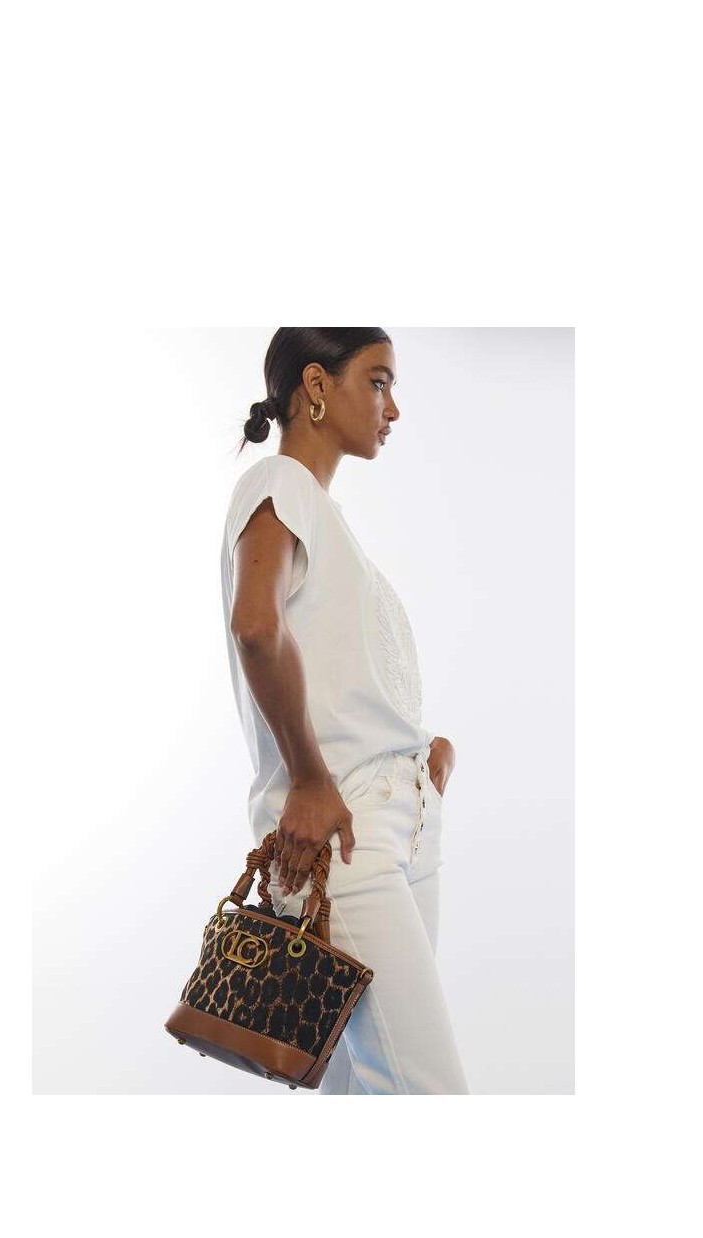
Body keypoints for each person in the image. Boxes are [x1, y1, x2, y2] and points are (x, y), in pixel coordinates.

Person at [221, 328, 470, 1094]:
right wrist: (307, 777)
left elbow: (339, 673)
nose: (392, 408)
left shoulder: (323, 516)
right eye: (379, 381)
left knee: (366, 1092)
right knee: (427, 1093)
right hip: (341, 837)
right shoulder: (280, 482)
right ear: (317, 386)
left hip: (394, 827)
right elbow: (255, 627)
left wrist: (423, 754)